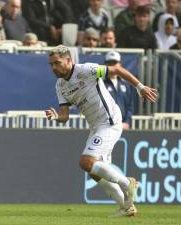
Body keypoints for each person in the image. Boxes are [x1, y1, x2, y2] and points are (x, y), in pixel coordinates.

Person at [45, 45, 157, 217]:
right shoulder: (60, 86)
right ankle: (126, 207)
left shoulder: (87, 70)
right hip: (96, 127)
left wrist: (140, 87)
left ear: (68, 60)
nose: (53, 67)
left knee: (85, 162)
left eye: (57, 63)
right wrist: (55, 117)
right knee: (94, 172)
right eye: (51, 64)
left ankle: (128, 183)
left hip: (110, 121)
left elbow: (117, 70)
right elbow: (65, 115)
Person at [103, 51, 134, 129]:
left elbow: (130, 106)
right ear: (105, 65)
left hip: (123, 127)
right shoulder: (100, 83)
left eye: (115, 63)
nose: (113, 66)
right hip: (105, 127)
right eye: (110, 63)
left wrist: (126, 122)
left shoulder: (125, 84)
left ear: (120, 64)